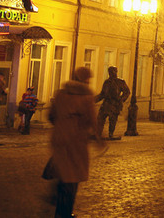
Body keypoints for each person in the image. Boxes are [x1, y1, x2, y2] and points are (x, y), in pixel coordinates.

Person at [49, 66, 103, 218]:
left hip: (59, 139)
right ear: (85, 80)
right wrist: (98, 138)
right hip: (76, 142)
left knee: (63, 174)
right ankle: (65, 212)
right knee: (72, 179)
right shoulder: (86, 98)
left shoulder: (60, 94)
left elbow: (51, 116)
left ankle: (59, 207)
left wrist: (62, 126)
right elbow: (92, 121)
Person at [94, 67, 130, 140]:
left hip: (114, 104)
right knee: (100, 118)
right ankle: (98, 133)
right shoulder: (106, 82)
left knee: (112, 120)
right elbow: (102, 94)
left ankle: (111, 134)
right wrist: (93, 100)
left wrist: (121, 99)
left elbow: (127, 92)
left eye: (113, 71)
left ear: (116, 72)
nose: (111, 73)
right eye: (110, 72)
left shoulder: (120, 82)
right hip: (106, 103)